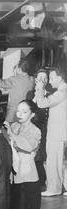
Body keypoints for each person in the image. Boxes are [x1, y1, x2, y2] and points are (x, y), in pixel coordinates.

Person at [6, 100, 42, 209]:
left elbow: (28, 146)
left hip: (27, 179)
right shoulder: (13, 127)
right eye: (18, 111)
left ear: (32, 114)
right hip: (13, 177)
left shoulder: (35, 131)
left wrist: (11, 136)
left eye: (24, 111)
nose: (19, 114)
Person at [33, 66, 67, 196]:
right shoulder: (62, 91)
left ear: (60, 77)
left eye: (52, 78)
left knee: (53, 161)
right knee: (62, 162)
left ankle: (54, 188)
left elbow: (42, 103)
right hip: (61, 132)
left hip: (57, 133)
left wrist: (40, 87)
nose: (50, 81)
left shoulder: (62, 92)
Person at [0, 59, 35, 123]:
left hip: (14, 113)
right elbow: (20, 88)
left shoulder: (14, 79)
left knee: (9, 128)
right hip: (26, 112)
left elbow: (0, 83)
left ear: (19, 69)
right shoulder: (32, 79)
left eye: (16, 67)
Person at [32, 69, 50, 189]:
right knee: (36, 153)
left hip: (46, 127)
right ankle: (38, 179)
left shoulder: (50, 94)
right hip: (34, 127)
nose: (43, 80)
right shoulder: (30, 93)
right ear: (35, 80)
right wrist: (37, 93)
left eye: (45, 78)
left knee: (46, 152)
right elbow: (30, 106)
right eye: (40, 78)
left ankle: (47, 180)